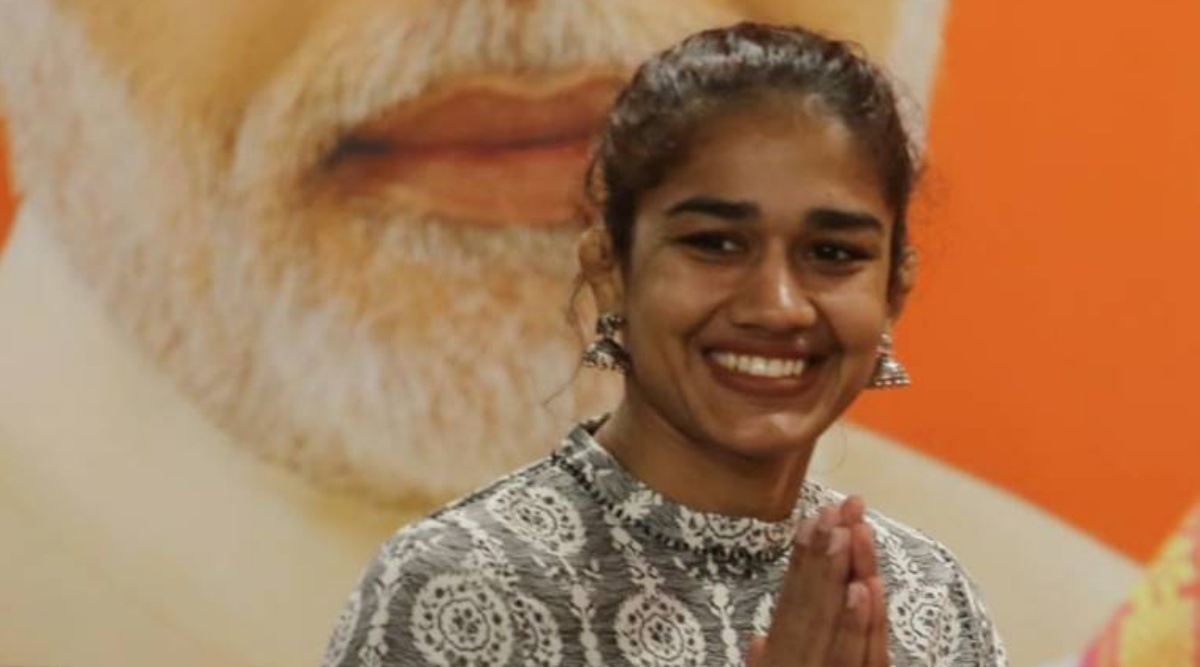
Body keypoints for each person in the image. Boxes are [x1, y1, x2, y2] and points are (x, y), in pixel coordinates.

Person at [322, 23, 1007, 667]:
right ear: (610, 270)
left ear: (894, 289)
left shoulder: (928, 601)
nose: (778, 305)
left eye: (832, 252)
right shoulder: (459, 586)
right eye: (715, 243)